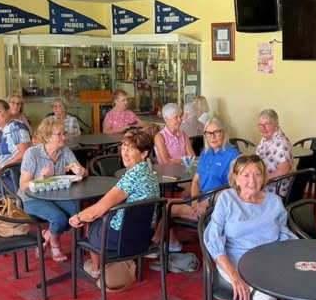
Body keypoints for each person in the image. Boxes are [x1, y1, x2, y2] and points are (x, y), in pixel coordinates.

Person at [204, 154, 303, 300]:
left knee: (297, 291)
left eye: (257, 174)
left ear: (264, 177)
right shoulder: (227, 199)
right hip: (234, 262)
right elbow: (212, 238)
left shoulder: (274, 202)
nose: (252, 180)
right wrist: (234, 275)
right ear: (236, 178)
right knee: (267, 294)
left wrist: (297, 255)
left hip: (269, 262)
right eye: (245, 175)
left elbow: (283, 233)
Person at [68, 127, 159, 277]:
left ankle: (96, 270)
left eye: (132, 149)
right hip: (144, 235)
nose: (125, 153)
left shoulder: (132, 177)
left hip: (122, 238)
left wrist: (77, 217)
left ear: (144, 153)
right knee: (99, 216)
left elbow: (97, 210)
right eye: (124, 147)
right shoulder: (150, 173)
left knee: (92, 220)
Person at [164, 117, 240, 249]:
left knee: (165, 209)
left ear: (224, 133)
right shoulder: (205, 153)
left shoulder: (233, 155)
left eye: (217, 132)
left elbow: (234, 187)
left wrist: (205, 203)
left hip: (216, 205)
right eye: (209, 133)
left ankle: (168, 242)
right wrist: (195, 202)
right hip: (199, 199)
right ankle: (170, 241)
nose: (212, 137)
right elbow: (196, 181)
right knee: (163, 202)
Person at [19, 115, 87, 263]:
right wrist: (40, 179)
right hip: (32, 198)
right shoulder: (32, 153)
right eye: (60, 134)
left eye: (65, 133)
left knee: (76, 214)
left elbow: (82, 171)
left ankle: (48, 235)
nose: (65, 137)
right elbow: (23, 186)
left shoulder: (65, 151)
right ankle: (55, 243)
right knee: (58, 218)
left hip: (58, 195)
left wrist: (80, 171)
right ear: (47, 137)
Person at [255, 108, 293, 195]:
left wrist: (263, 180)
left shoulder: (281, 142)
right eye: (260, 125)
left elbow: (284, 170)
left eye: (267, 124)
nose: (263, 128)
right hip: (265, 183)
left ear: (276, 125)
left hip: (275, 188)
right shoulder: (265, 139)